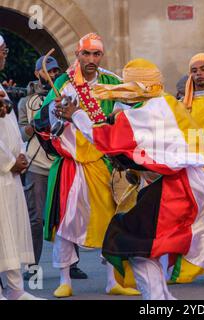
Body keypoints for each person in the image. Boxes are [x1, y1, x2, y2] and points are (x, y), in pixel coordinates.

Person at [56, 58, 204, 300]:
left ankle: (156, 300)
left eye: (127, 84)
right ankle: (161, 298)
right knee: (147, 245)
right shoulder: (165, 103)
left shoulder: (147, 112)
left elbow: (103, 137)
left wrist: (76, 114)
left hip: (181, 187)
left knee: (130, 241)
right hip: (185, 184)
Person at [33, 33, 140, 298]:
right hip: (72, 163)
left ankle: (111, 281)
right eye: (86, 54)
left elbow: (133, 107)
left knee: (109, 221)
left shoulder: (111, 82)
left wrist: (119, 114)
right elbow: (42, 119)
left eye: (96, 54)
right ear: (78, 55)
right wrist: (55, 111)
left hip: (103, 162)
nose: (91, 60)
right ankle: (64, 279)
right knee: (67, 222)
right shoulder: (64, 82)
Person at [18, 56, 88, 281]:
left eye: (57, 70)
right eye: (48, 71)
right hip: (38, 165)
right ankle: (32, 265)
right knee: (36, 218)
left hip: (63, 162)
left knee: (69, 214)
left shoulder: (69, 95)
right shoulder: (26, 102)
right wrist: (39, 120)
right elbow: (22, 132)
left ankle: (73, 264)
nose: (53, 74)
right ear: (38, 73)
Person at [169, 52, 204, 283]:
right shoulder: (182, 104)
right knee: (185, 217)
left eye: (203, 69)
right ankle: (181, 267)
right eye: (194, 70)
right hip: (187, 165)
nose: (198, 73)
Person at [0, 34, 44, 300]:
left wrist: (21, 155)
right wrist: (8, 161)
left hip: (10, 175)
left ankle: (16, 290)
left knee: (11, 230)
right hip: (4, 170)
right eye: (3, 50)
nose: (5, 54)